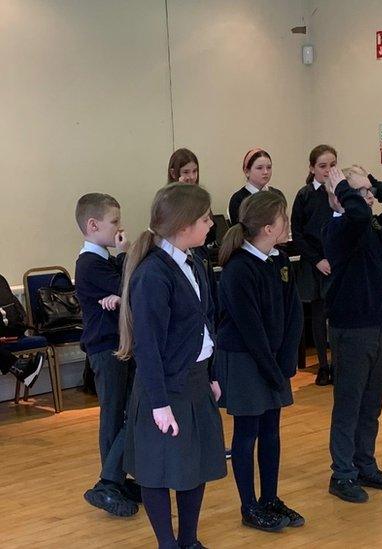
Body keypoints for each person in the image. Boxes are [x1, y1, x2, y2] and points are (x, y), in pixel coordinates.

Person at [117, 184, 227, 549]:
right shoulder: (154, 274)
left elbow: (203, 323)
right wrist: (159, 403)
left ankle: (189, 541)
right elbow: (148, 347)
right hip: (164, 388)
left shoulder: (192, 262)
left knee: (194, 466)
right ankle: (168, 544)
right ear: (183, 225)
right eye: (205, 218)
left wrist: (210, 375)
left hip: (194, 382)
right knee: (158, 470)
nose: (211, 224)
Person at [322, 165, 382, 503]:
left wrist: (374, 183)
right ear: (337, 197)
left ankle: (365, 464)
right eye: (359, 193)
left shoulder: (374, 225)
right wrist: (349, 192)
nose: (368, 200)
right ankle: (342, 473)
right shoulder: (339, 229)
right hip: (351, 329)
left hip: (380, 325)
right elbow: (358, 215)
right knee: (349, 403)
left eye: (368, 193)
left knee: (371, 403)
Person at [214, 192, 304, 532]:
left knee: (271, 430)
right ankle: (249, 506)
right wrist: (272, 367)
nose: (287, 224)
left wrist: (287, 360)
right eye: (284, 219)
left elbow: (294, 311)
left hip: (273, 360)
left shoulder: (279, 260)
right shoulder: (238, 268)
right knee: (247, 431)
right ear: (268, 227)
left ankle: (270, 498)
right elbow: (249, 327)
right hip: (245, 360)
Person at [74, 192, 140, 516]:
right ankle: (109, 482)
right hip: (106, 349)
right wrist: (126, 253)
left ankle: (116, 477)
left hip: (118, 346)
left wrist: (120, 271)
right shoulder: (89, 265)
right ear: (93, 224)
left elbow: (122, 288)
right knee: (114, 415)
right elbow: (128, 287)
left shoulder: (100, 261)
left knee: (127, 412)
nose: (119, 228)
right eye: (114, 222)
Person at [291, 144, 338, 386]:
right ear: (312, 168)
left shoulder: (341, 193)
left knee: (337, 316)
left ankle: (339, 364)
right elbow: (297, 234)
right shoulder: (305, 195)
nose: (328, 171)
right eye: (322, 166)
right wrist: (317, 260)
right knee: (319, 316)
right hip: (315, 263)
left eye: (332, 165)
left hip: (336, 263)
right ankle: (323, 365)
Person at [229, 148, 286, 225]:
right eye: (259, 168)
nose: (265, 172)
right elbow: (239, 231)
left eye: (269, 167)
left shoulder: (277, 194)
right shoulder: (238, 199)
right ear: (247, 172)